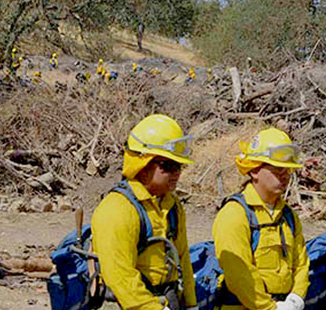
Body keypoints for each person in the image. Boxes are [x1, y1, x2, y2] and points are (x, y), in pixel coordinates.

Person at [91, 114, 198, 310]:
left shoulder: (172, 206)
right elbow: (120, 276)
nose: (176, 173)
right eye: (167, 166)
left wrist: (191, 304)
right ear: (142, 166)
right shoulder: (117, 209)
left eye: (179, 166)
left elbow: (183, 260)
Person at [213, 128, 309, 310]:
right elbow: (238, 273)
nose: (285, 175)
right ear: (254, 171)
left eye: (288, 170)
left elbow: (301, 262)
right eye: (277, 169)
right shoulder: (234, 213)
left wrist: (296, 298)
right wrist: (269, 308)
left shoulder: (288, 216)